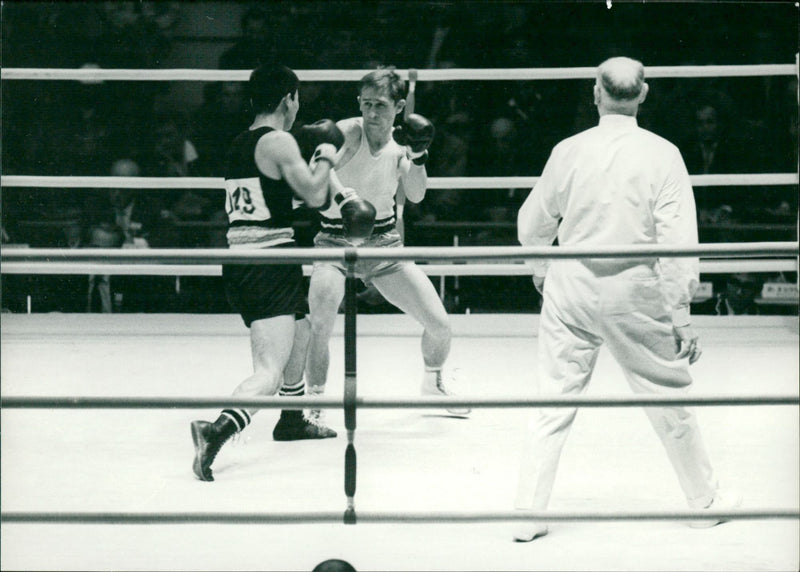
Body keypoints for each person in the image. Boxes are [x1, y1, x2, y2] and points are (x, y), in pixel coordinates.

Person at [513, 57, 741, 541]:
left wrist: (540, 269)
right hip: (633, 289)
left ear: (596, 92)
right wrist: (682, 313)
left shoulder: (568, 150)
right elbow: (679, 239)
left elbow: (532, 224)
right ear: (644, 93)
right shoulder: (663, 154)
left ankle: (527, 514)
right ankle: (703, 501)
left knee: (551, 399)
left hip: (571, 284)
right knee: (667, 398)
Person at [294, 67, 470, 440]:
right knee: (321, 321)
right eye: (366, 103)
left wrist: (420, 155)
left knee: (439, 324)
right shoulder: (346, 130)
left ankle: (433, 384)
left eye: (381, 105)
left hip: (384, 242)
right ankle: (312, 407)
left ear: (399, 106)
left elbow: (418, 194)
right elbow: (319, 170)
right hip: (334, 239)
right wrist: (346, 198)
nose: (372, 112)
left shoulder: (404, 141)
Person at [190, 64, 344, 481]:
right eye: (297, 100)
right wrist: (328, 154)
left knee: (305, 326)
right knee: (268, 371)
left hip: (250, 257)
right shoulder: (278, 141)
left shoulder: (243, 141)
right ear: (288, 99)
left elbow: (272, 201)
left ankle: (291, 420)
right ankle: (216, 429)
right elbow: (313, 195)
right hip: (268, 262)